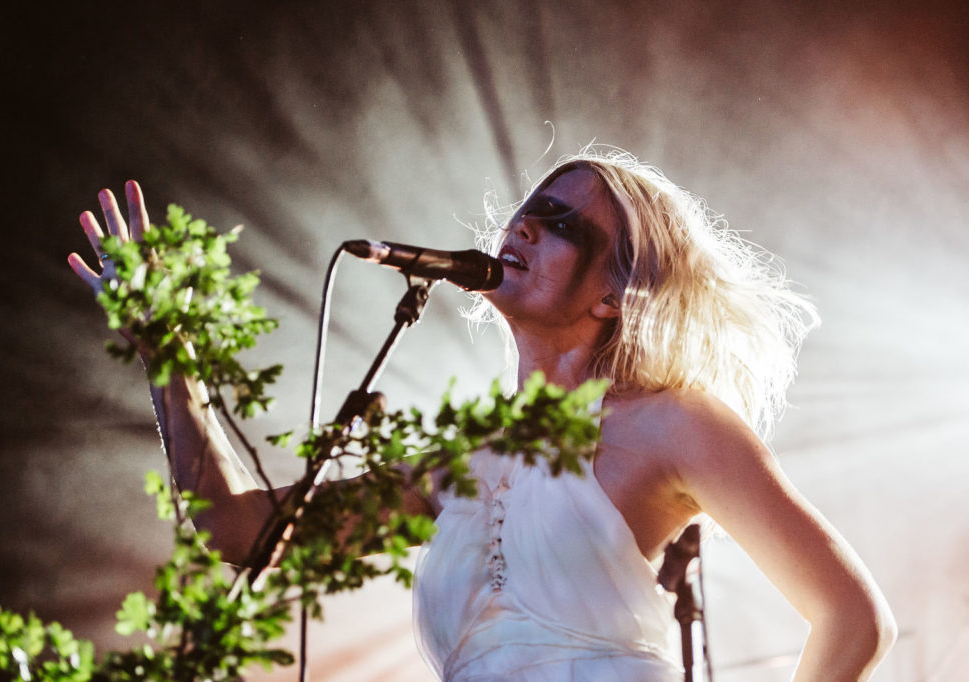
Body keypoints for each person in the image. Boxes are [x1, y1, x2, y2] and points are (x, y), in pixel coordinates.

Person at [69, 148, 896, 681]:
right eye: (529, 208)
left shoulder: (671, 422)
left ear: (615, 292)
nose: (523, 224)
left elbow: (852, 618)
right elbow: (243, 533)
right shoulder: (462, 459)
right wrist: (165, 350)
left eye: (561, 223)